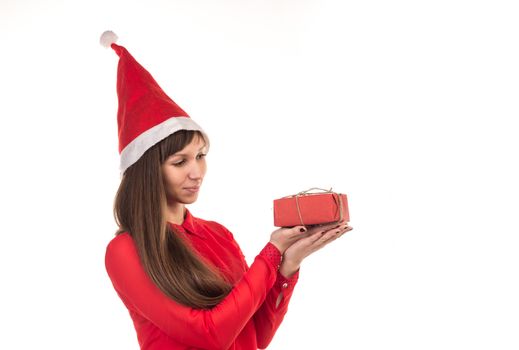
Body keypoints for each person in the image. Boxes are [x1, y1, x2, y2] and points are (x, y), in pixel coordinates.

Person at [101, 31, 353, 350]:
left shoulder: (217, 234)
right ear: (148, 172)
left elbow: (254, 337)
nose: (197, 172)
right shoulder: (126, 251)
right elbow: (209, 336)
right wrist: (271, 253)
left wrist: (288, 265)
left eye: (201, 156)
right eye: (180, 161)